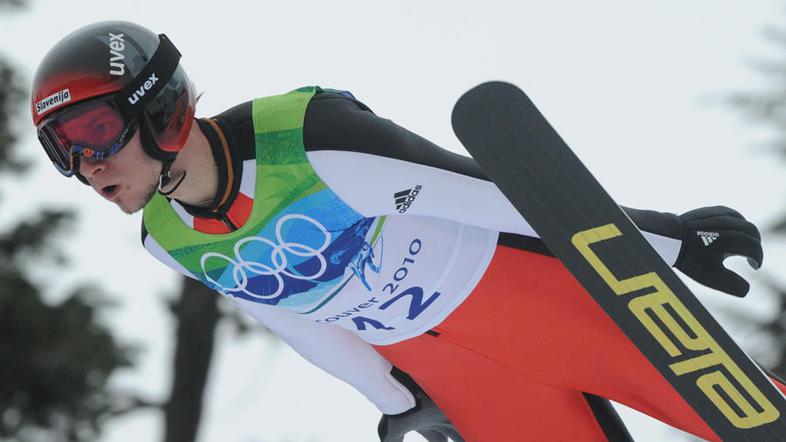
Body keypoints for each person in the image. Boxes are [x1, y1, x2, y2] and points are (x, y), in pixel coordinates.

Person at [31, 21, 786, 441]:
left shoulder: (309, 138)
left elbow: (502, 196)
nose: (86, 163)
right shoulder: (168, 235)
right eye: (61, 147)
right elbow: (290, 317)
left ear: (160, 106)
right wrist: (398, 403)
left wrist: (669, 240)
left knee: (742, 418)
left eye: (94, 129)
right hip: (462, 379)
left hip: (527, 304)